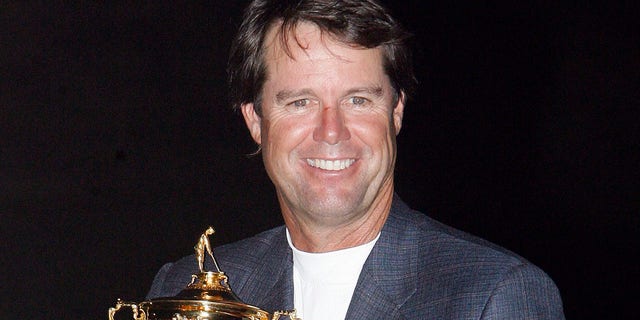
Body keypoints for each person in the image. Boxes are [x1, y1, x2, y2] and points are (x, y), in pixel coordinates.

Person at [146, 0, 565, 319]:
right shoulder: (184, 292)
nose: (332, 131)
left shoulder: (494, 295)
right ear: (255, 119)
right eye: (300, 102)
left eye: (358, 99)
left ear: (396, 112)